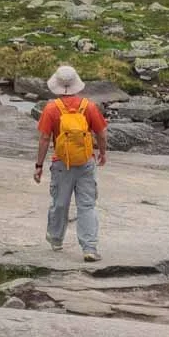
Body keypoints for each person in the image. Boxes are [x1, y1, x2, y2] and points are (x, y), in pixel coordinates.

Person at [32, 64, 108, 262]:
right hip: (85, 162)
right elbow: (101, 132)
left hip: (61, 163)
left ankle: (56, 239)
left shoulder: (51, 109)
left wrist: (39, 165)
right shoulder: (88, 107)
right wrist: (102, 153)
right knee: (87, 205)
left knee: (60, 203)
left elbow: (44, 139)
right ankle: (89, 248)